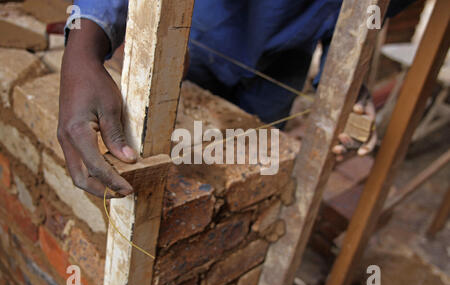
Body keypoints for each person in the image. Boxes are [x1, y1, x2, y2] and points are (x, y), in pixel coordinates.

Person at [58, 0, 416, 198]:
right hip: (202, 30)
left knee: (251, 170)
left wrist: (346, 83)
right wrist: (84, 48)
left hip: (284, 63)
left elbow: (355, 17)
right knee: (173, 157)